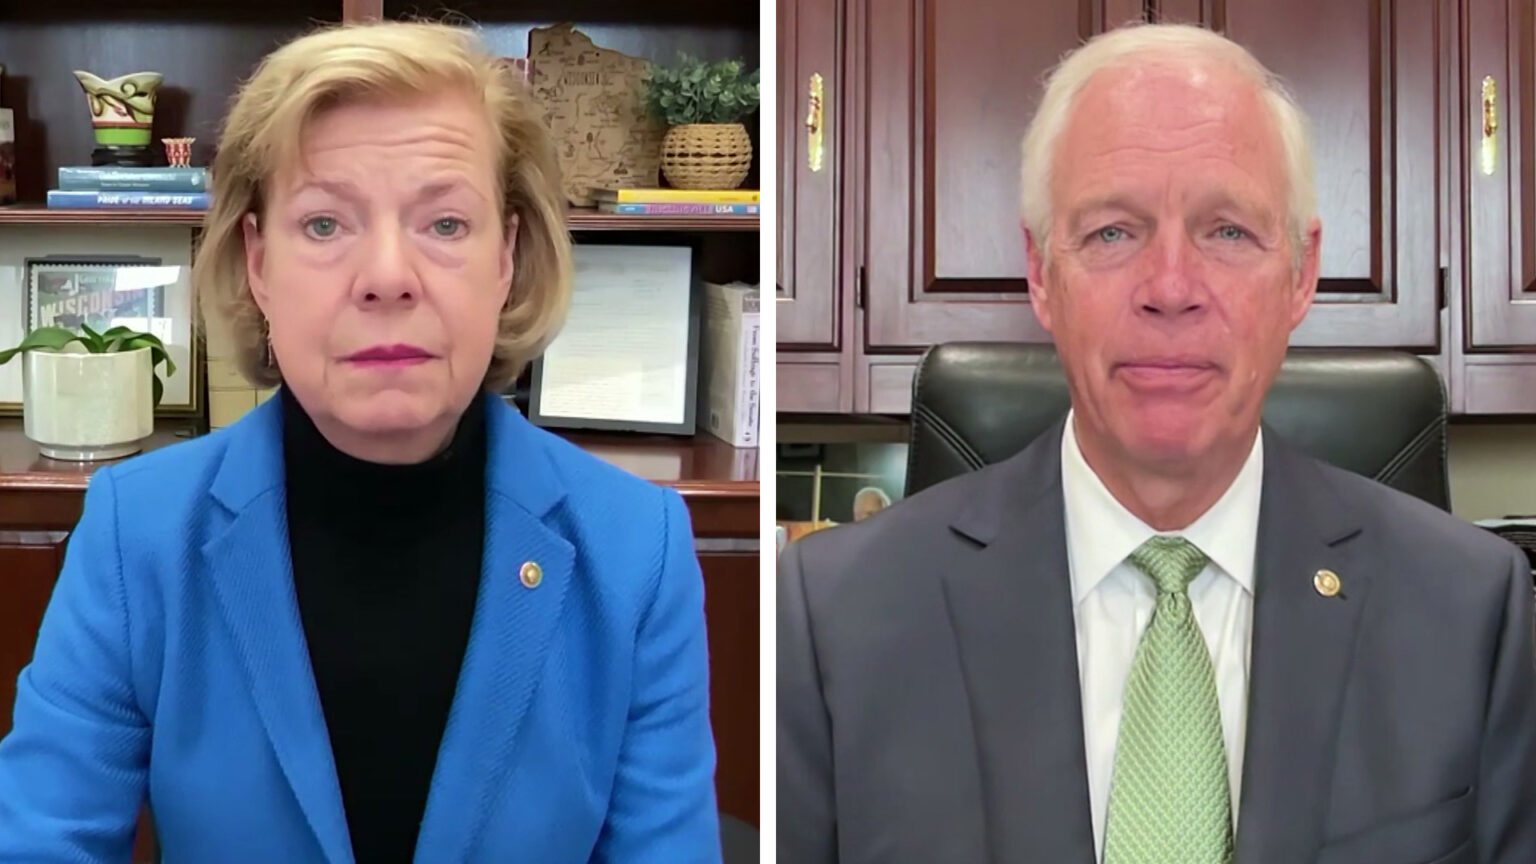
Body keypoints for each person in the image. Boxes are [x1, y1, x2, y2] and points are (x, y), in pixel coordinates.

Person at [778, 22, 1536, 864]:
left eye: (1228, 231)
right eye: (1113, 232)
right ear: (1041, 272)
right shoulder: (832, 615)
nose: (1171, 289)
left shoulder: (1471, 609)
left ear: (1302, 272)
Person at [0, 20, 721, 864]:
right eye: (324, 225)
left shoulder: (636, 551)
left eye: (445, 224)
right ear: (258, 263)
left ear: (507, 257)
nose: (386, 277)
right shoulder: (138, 535)